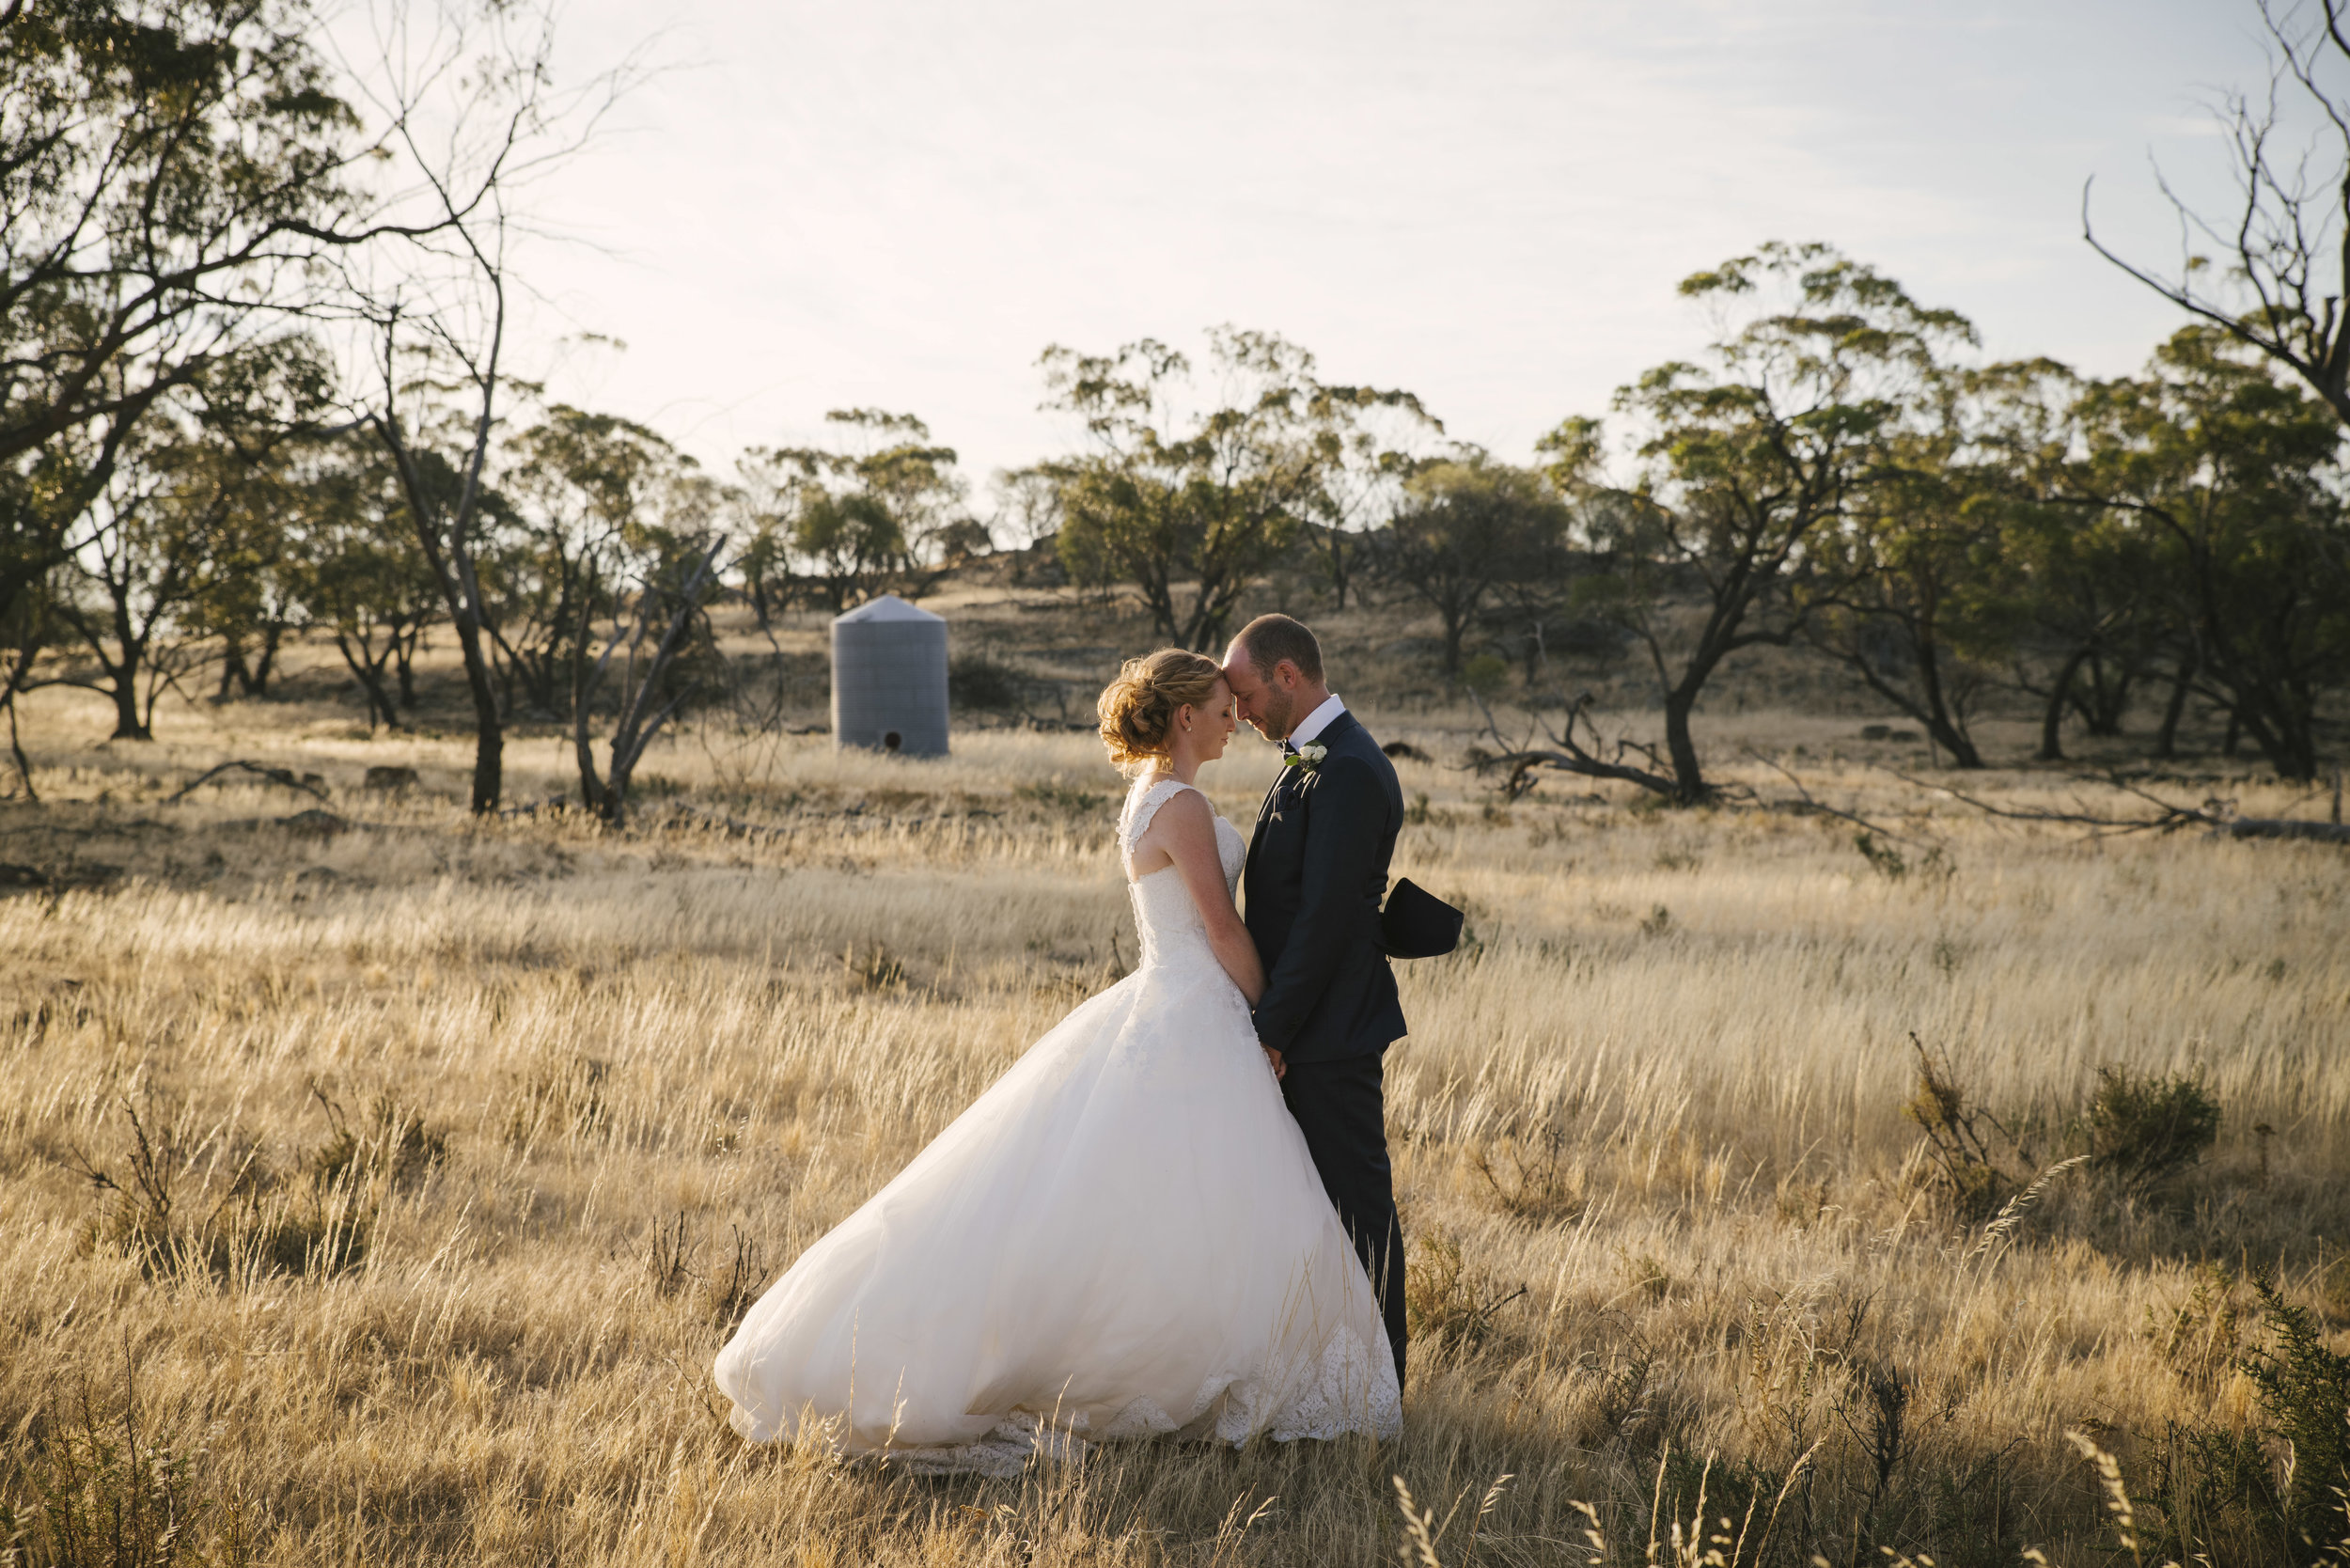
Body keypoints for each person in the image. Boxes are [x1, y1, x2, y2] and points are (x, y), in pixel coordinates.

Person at [713, 649, 1401, 1473]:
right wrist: (1270, 1022)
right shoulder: (1178, 803)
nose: (1233, 720)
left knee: (1169, 1206)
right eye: (1222, 708)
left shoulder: (1155, 795)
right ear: (1186, 717)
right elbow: (1221, 931)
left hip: (1180, 1008)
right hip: (1196, 1010)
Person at [1220, 614, 1410, 1384]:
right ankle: (1322, 1376)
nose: (1239, 711)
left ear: (1288, 675)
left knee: (1359, 1215)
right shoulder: (1308, 758)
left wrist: (1272, 1030)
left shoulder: (1352, 769)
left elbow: (1326, 921)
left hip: (1329, 1035)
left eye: (1245, 692)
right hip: (1308, 1028)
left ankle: (1384, 1387)